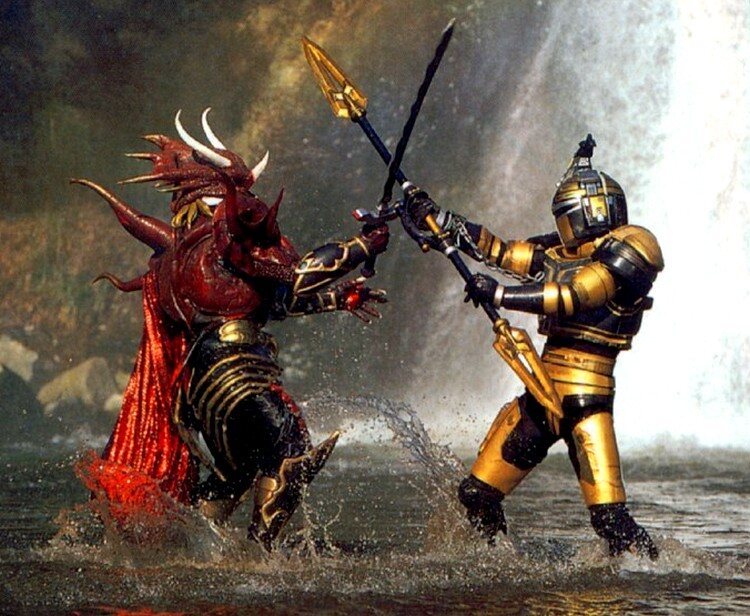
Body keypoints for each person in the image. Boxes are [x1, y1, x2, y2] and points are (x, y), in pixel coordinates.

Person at [72, 108, 389, 550]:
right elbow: (297, 276)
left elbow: (275, 300)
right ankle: (258, 558)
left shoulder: (191, 252)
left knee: (240, 469)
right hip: (234, 373)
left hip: (204, 384)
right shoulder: (219, 240)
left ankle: (196, 553)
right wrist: (362, 245)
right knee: (290, 448)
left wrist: (338, 298)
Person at [405, 135, 662, 559]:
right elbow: (499, 252)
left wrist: (501, 295)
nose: (566, 227)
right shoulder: (560, 253)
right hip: (542, 392)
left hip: (587, 399)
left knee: (609, 519)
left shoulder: (633, 249)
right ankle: (500, 563)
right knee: (476, 495)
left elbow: (577, 295)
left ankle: (654, 570)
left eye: (569, 217)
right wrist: (441, 219)